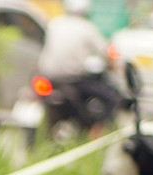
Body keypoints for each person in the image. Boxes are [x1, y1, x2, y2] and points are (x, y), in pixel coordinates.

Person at [36, 0, 122, 135]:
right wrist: (114, 65)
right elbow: (106, 51)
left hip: (47, 76)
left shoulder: (55, 23)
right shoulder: (87, 28)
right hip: (73, 79)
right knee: (112, 97)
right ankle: (95, 130)